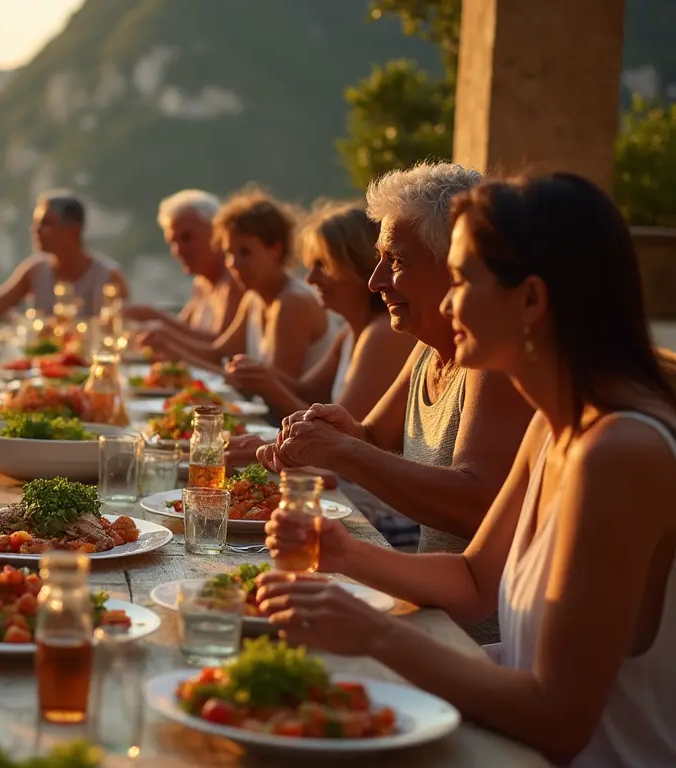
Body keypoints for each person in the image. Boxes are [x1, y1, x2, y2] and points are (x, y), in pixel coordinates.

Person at [259, 173, 676, 767]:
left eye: (460, 279)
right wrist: (343, 556)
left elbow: (557, 720)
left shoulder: (619, 453)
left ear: (531, 300)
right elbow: (476, 583)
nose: (447, 303)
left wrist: (375, 633)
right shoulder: (553, 424)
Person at [257, 162, 535, 639]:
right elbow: (371, 438)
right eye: (378, 259)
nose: (375, 280)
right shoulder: (430, 348)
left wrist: (342, 451)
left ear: (457, 264)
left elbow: (474, 504)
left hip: (475, 637)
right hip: (433, 610)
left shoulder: (496, 366)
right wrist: (336, 430)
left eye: (397, 261)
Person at [222, 202, 414, 461]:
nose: (310, 279)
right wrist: (264, 376)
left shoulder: (382, 335)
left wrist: (268, 389)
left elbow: (340, 437)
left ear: (357, 266)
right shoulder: (349, 331)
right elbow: (306, 392)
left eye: (322, 265)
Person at [138, 189, 337, 380]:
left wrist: (174, 349)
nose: (234, 264)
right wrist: (167, 344)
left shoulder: (292, 303)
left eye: (245, 252)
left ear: (275, 250)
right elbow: (218, 353)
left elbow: (278, 390)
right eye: (229, 254)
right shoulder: (253, 297)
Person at [0, 191, 128, 318]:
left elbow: (125, 323)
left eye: (46, 223)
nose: (36, 230)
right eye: (36, 224)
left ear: (73, 230)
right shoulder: (35, 271)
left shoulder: (108, 277)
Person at [123, 189, 244, 340]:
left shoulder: (237, 281)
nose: (178, 250)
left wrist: (154, 316)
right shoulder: (201, 283)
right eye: (172, 242)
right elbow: (182, 330)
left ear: (217, 233)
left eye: (187, 238)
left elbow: (220, 348)